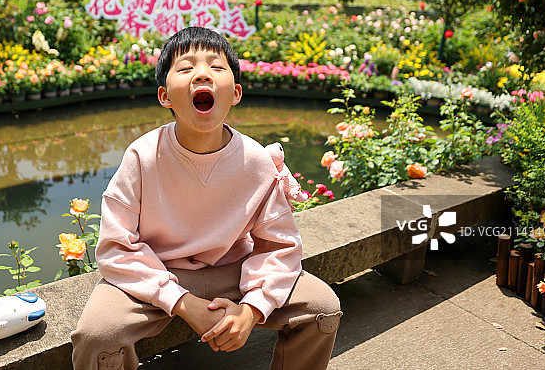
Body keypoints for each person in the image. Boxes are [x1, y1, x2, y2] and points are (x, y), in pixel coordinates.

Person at [70, 27, 342, 370]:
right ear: (165, 95)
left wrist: (252, 309)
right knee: (97, 336)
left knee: (322, 309)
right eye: (185, 69)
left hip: (234, 271)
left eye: (217, 67)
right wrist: (181, 302)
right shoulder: (142, 156)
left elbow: (279, 247)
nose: (202, 74)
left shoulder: (257, 160)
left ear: (236, 92)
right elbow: (116, 246)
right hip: (158, 272)